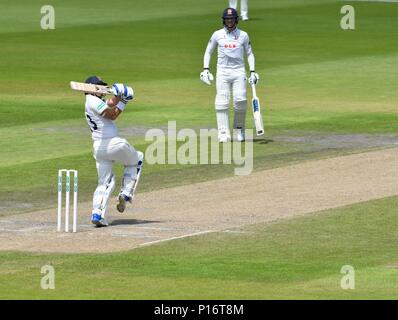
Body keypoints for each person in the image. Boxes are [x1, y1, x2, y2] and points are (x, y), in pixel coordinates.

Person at [84, 76, 144, 227]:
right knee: (137, 159)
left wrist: (119, 96)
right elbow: (112, 115)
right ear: (93, 88)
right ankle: (126, 192)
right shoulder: (92, 100)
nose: (103, 91)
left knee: (105, 182)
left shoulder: (93, 101)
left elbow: (110, 104)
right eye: (101, 87)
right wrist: (123, 101)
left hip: (98, 148)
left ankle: (97, 213)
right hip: (113, 143)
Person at [200, 8, 259, 142]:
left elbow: (250, 53)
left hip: (239, 72)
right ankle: (223, 133)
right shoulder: (217, 34)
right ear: (224, 20)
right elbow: (208, 51)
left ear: (236, 20)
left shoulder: (243, 35)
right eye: (227, 19)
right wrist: (205, 69)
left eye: (232, 19)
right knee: (222, 101)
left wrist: (253, 72)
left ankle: (239, 130)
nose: (229, 21)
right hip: (222, 72)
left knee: (240, 101)